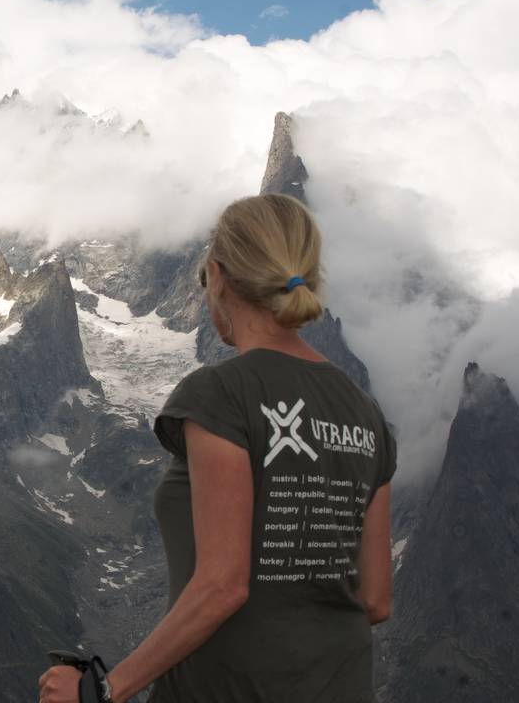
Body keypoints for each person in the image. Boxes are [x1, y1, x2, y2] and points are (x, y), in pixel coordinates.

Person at [39, 193, 396, 703]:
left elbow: (224, 585)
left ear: (219, 276)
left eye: (205, 281)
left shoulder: (222, 394)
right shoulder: (366, 414)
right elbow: (376, 599)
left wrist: (102, 689)